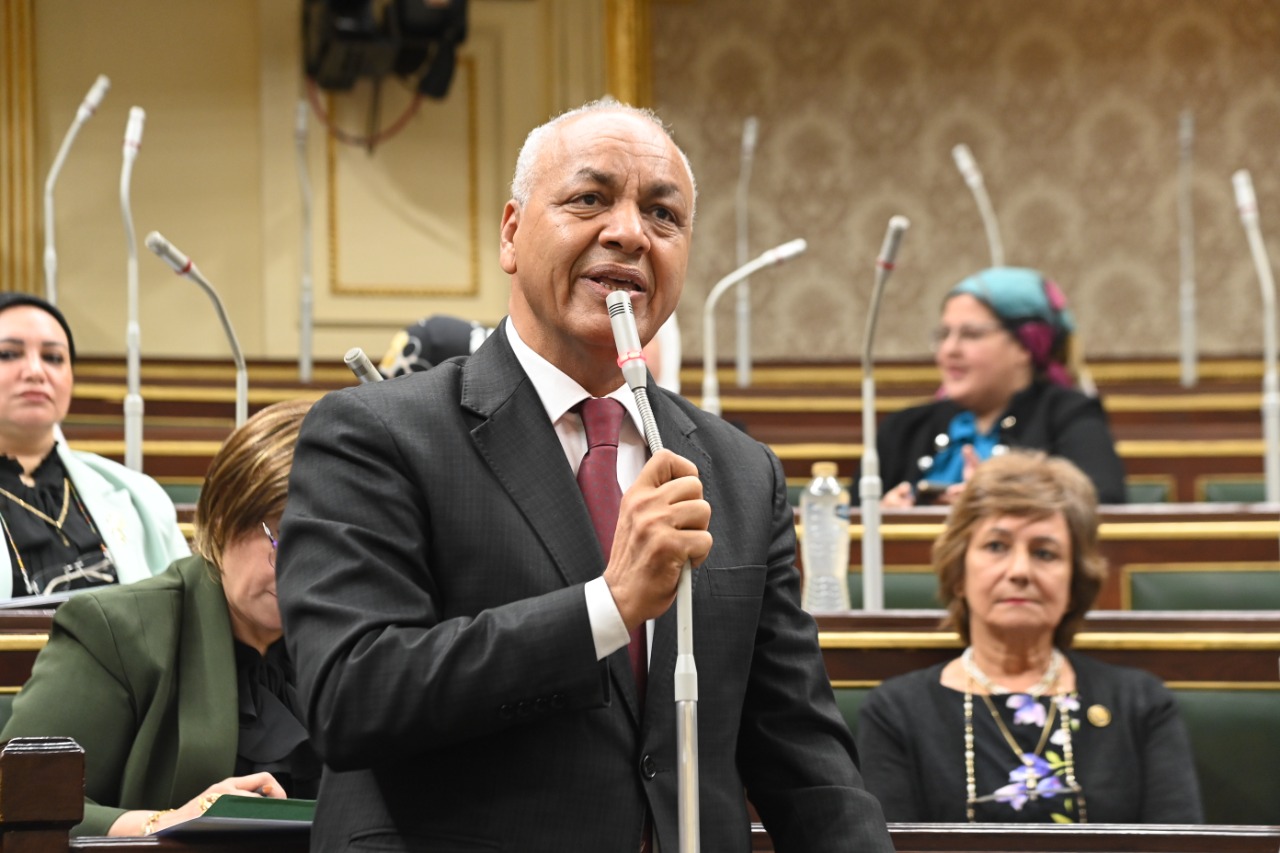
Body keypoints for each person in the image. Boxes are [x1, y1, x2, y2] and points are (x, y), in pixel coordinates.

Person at [276, 100, 893, 852]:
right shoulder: (376, 433)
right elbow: (353, 694)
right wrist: (608, 605)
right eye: (590, 199)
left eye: (663, 214)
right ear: (511, 233)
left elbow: (803, 758)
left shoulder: (739, 470)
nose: (630, 232)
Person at [0, 399, 319, 836]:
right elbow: (20, 798)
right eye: (285, 538)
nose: (308, 570)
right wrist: (166, 822)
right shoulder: (114, 631)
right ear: (224, 518)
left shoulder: (354, 636)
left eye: (332, 545)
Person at [856, 450, 1202, 823]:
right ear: (959, 574)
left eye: (1044, 553)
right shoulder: (896, 712)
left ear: (1075, 581)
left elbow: (1179, 841)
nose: (1019, 571)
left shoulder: (1141, 705)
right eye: (996, 546)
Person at [873, 267, 1126, 507]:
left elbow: (1102, 503)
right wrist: (883, 516)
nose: (949, 350)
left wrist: (1001, 503)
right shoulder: (904, 427)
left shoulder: (1069, 414)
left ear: (1026, 346)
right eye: (943, 335)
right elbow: (853, 519)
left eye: (971, 334)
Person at [0, 293, 189, 600]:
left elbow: (186, 606)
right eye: (8, 354)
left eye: (53, 357)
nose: (35, 371)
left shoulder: (138, 495)